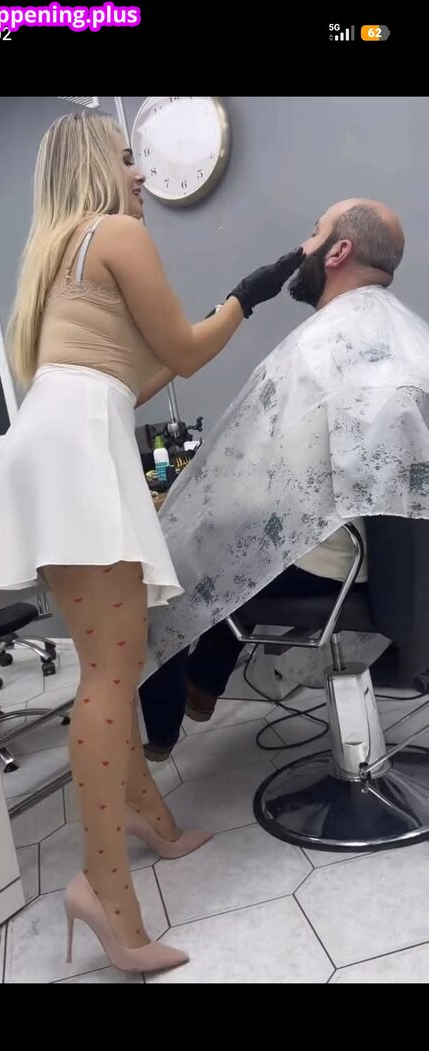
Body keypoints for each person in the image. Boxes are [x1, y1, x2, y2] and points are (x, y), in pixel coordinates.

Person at [0, 110, 304, 974]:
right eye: (127, 158)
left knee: (108, 666)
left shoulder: (57, 253)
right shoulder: (114, 232)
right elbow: (188, 354)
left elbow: (135, 376)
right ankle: (104, 893)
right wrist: (249, 293)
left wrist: (220, 312)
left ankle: (147, 817)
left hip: (56, 439)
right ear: (96, 165)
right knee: (111, 677)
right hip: (75, 449)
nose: (139, 175)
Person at [140, 197, 429, 757]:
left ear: (338, 252)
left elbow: (254, 485)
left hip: (343, 568)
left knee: (168, 564)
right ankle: (205, 681)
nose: (301, 249)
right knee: (232, 553)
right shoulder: (409, 339)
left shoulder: (320, 351)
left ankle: (160, 732)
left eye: (313, 234)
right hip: (406, 567)